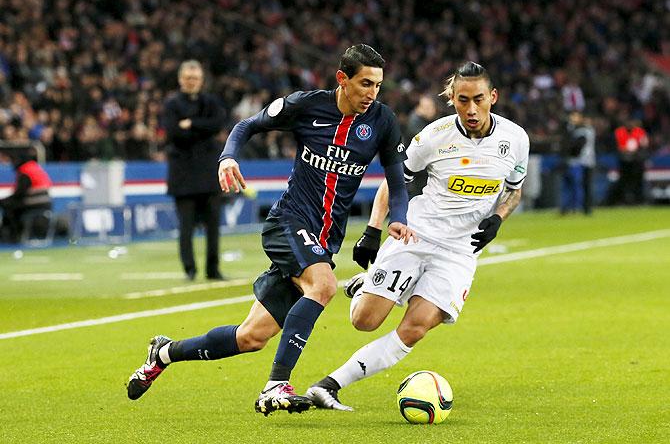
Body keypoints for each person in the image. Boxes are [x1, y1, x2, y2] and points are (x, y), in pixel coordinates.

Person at [126, 44, 415, 415]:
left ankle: (163, 353)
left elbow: (396, 175)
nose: (371, 94)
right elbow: (247, 125)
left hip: (324, 239)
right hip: (289, 221)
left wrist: (399, 216)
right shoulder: (306, 105)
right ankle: (275, 385)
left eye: (377, 85)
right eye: (364, 84)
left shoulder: (382, 120)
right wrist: (228, 156)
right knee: (324, 286)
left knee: (251, 337)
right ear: (342, 79)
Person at [304, 62, 530, 411]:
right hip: (417, 234)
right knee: (364, 321)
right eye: (462, 100)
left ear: (493, 97)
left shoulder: (515, 139)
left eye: (479, 99)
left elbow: (514, 190)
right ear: (452, 99)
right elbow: (395, 181)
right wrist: (372, 230)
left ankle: (329, 385)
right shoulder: (434, 136)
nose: (471, 109)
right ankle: (367, 285)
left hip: (460, 250)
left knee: (416, 327)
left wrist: (498, 218)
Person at [163, 60, 226, 281]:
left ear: (201, 80)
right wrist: (203, 128)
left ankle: (213, 269)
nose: (192, 82)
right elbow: (173, 133)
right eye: (188, 78)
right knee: (186, 228)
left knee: (213, 227)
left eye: (195, 78)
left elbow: (218, 123)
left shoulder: (210, 102)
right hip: (183, 176)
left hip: (209, 174)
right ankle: (189, 270)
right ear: (181, 79)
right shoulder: (171, 104)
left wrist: (191, 124)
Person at [0, 149, 52, 243]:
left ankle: (13, 236)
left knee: (10, 209)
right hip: (46, 202)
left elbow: (20, 193)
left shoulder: (25, 171)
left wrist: (4, 201)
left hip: (34, 202)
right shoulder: (34, 167)